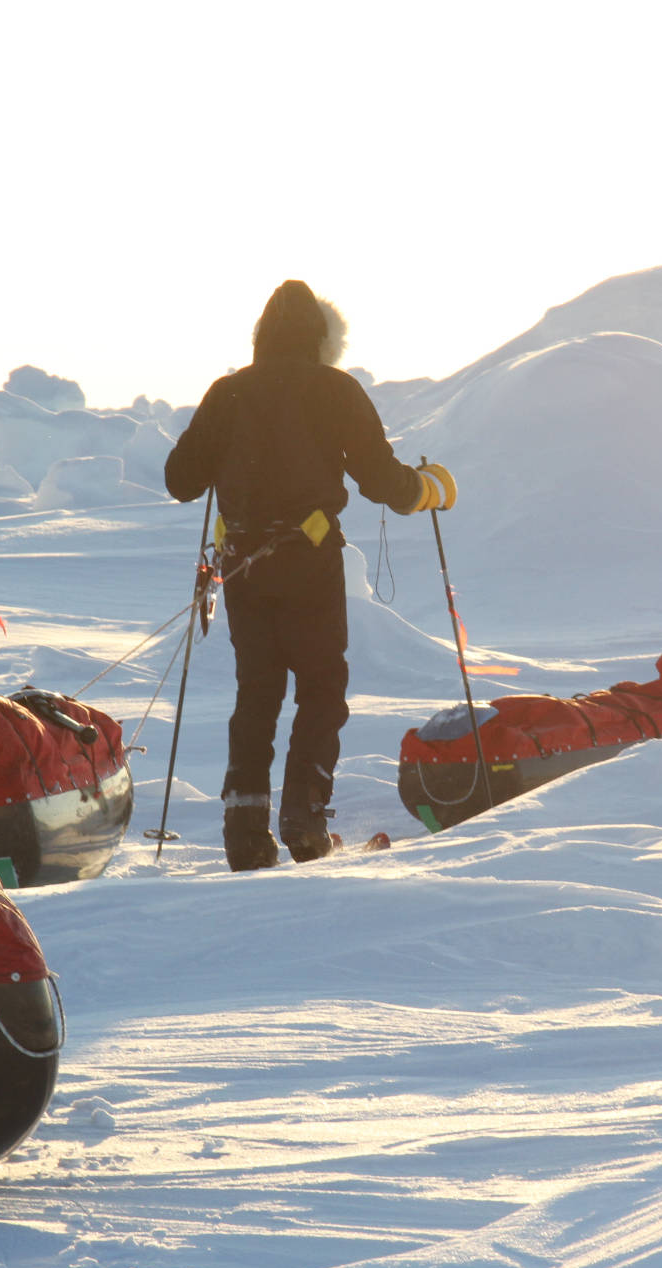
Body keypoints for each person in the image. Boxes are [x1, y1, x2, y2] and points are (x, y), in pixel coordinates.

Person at [163, 280, 456, 870]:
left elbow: (180, 481)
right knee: (321, 690)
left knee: (258, 693)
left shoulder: (229, 392)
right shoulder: (334, 389)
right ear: (322, 338)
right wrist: (429, 490)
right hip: (309, 560)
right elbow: (379, 480)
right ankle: (304, 817)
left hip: (245, 565)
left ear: (261, 336)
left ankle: (245, 831)